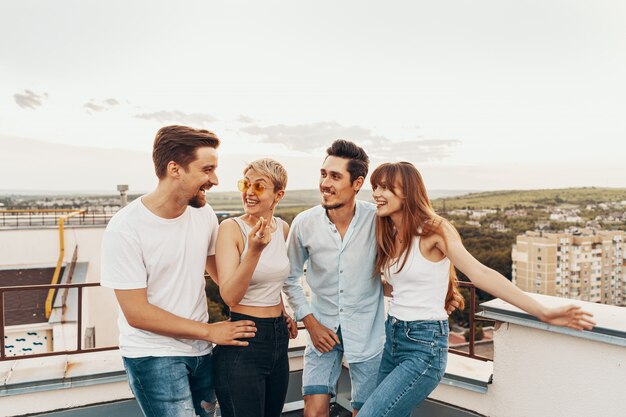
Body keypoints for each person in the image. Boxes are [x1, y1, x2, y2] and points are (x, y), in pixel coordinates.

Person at [356, 161, 596, 417]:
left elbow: (480, 273)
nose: (377, 194)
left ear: (408, 192)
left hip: (423, 346)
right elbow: (399, 286)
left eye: (386, 188)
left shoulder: (433, 230)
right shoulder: (391, 233)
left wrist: (543, 312)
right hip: (393, 337)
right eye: (375, 187)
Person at [100, 125, 257, 417]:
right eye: (207, 169)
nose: (214, 179)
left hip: (200, 351)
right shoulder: (125, 229)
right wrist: (210, 331)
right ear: (175, 169)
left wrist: (271, 306)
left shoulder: (203, 213)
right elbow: (136, 313)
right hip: (153, 356)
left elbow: (225, 280)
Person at [213, 158, 298, 417]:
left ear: (278, 195)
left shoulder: (282, 227)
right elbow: (229, 295)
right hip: (245, 337)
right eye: (246, 184)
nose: (249, 192)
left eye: (259, 187)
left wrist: (283, 311)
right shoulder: (231, 229)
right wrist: (254, 251)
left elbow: (274, 278)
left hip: (277, 337)